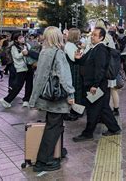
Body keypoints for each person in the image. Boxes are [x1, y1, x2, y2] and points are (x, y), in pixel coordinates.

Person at [29, 27, 75, 172]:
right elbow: (64, 76)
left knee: (54, 124)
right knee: (53, 126)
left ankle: (58, 151)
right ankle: (44, 160)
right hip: (57, 97)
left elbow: (39, 76)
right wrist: (71, 93)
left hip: (47, 95)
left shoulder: (44, 52)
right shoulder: (58, 53)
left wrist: (33, 99)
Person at [73, 27, 122, 142]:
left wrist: (95, 85)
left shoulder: (100, 49)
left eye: (95, 35)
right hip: (96, 84)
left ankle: (88, 133)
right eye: (92, 35)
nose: (92, 37)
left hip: (97, 84)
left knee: (93, 109)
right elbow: (84, 61)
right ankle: (114, 128)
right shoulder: (93, 48)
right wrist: (77, 59)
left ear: (101, 37)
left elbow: (100, 69)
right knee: (103, 108)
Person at [0, 33, 34, 108]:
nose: (22, 39)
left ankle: (26, 100)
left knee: (29, 84)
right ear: (16, 40)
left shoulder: (26, 45)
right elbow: (16, 57)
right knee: (18, 85)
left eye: (22, 37)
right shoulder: (13, 47)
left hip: (29, 67)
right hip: (21, 68)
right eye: (20, 38)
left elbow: (30, 53)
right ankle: (6, 100)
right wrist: (22, 53)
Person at [63, 28, 84, 121]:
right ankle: (76, 111)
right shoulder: (70, 45)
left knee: (77, 90)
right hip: (73, 71)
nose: (80, 36)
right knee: (76, 90)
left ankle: (77, 111)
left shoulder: (71, 45)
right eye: (79, 34)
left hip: (74, 70)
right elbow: (74, 58)